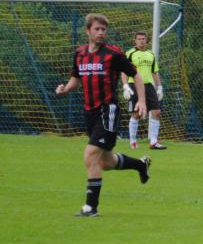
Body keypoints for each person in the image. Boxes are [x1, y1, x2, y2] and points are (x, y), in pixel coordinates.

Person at [55, 14, 152, 217]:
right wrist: (65, 89)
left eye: (103, 30)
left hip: (108, 110)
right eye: (97, 29)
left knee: (90, 154)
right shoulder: (79, 54)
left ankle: (91, 207)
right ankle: (140, 165)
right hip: (89, 111)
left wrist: (142, 101)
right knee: (104, 162)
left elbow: (136, 75)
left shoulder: (113, 54)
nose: (100, 33)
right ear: (88, 31)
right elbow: (76, 78)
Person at [121, 31, 166, 150]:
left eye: (143, 39)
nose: (141, 41)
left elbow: (154, 72)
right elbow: (124, 72)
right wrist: (125, 86)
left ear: (146, 41)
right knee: (136, 113)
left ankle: (154, 142)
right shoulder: (130, 53)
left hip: (149, 85)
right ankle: (133, 141)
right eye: (139, 39)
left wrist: (160, 87)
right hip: (134, 85)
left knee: (156, 112)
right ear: (135, 40)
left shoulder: (150, 54)